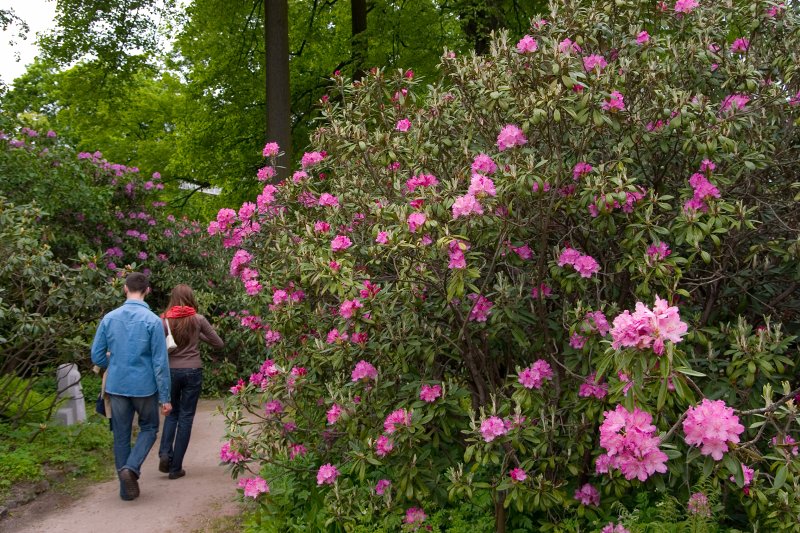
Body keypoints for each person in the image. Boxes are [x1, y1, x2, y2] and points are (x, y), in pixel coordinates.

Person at [91, 272, 172, 501]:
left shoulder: (109, 318)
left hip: (116, 385)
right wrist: (165, 397)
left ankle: (126, 491)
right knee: (149, 428)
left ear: (125, 289)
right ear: (147, 291)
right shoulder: (153, 321)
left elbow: (96, 355)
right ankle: (132, 468)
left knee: (121, 435)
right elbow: (159, 362)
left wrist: (114, 364)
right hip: (145, 386)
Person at [158, 284, 224, 479]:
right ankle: (176, 467)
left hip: (170, 371)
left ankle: (164, 453)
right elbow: (218, 343)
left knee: (172, 414)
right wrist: (199, 335)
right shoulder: (198, 319)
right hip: (193, 370)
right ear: (190, 298)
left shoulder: (163, 320)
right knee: (186, 418)